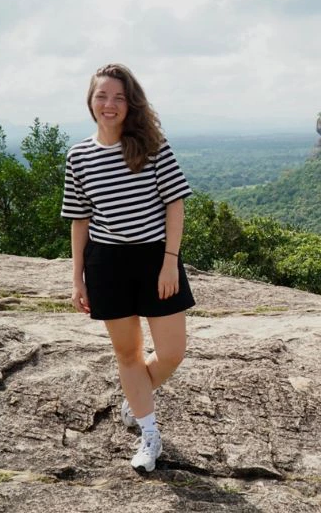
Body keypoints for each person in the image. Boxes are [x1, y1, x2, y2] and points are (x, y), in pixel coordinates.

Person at [61, 63, 195, 473]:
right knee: (128, 354)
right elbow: (80, 219)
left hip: (156, 258)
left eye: (119, 97)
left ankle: (136, 397)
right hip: (107, 264)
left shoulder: (152, 146)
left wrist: (170, 262)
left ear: (130, 103)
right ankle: (148, 433)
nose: (110, 104)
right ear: (91, 101)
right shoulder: (79, 156)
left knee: (172, 353)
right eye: (102, 96)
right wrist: (77, 277)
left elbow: (175, 204)